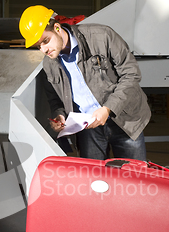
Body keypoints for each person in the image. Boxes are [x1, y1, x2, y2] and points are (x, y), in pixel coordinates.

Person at [19, 5, 151, 161]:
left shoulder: (101, 36)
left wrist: (108, 108)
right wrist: (60, 115)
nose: (44, 49)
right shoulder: (50, 64)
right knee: (94, 181)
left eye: (46, 41)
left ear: (57, 27)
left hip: (125, 120)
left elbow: (131, 74)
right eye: (38, 46)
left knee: (133, 178)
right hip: (88, 129)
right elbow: (55, 100)